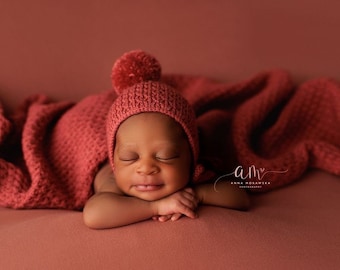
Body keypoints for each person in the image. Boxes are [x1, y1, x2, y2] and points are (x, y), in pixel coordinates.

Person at [83, 50, 249, 229]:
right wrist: (156, 207)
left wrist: (196, 194)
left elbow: (240, 198)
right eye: (129, 157)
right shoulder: (114, 180)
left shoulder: (192, 173)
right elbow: (94, 215)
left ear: (191, 156)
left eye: (165, 156)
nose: (146, 168)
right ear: (114, 159)